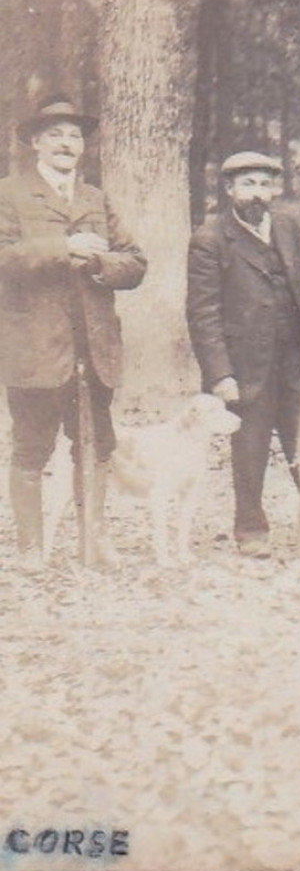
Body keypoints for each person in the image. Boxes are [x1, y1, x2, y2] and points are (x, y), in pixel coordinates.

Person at [0, 97, 146, 569]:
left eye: (75, 136)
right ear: (36, 143)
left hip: (94, 346)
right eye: (56, 135)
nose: (67, 144)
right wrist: (63, 247)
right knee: (31, 446)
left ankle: (95, 538)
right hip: (36, 349)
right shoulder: (9, 194)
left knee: (96, 444)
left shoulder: (95, 198)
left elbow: (136, 261)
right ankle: (30, 547)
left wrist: (101, 262)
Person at [186, 151, 300, 558]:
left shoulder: (287, 227)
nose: (258, 193)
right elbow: (202, 313)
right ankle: (250, 530)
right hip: (245, 368)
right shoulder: (210, 239)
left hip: (295, 357)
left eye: (264, 184)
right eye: (248, 184)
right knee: (250, 449)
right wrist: (220, 375)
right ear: (229, 190)